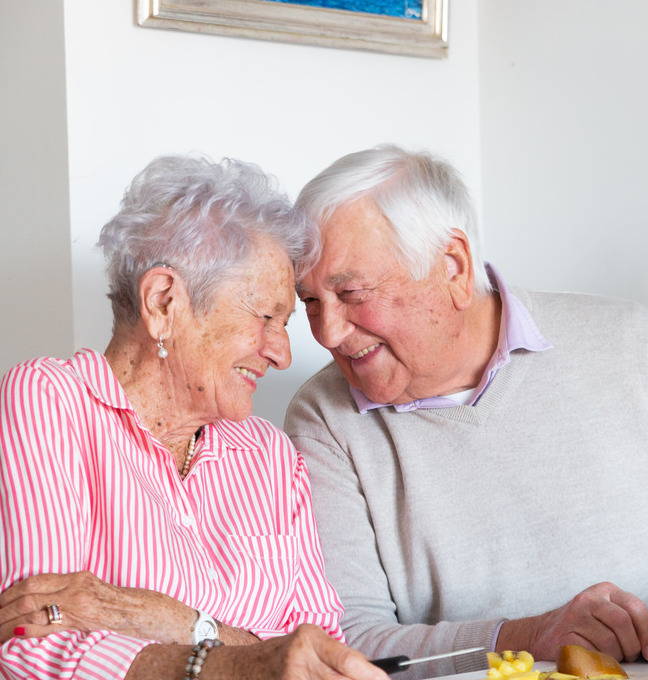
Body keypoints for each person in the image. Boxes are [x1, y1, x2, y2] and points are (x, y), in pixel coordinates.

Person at [284, 144, 648, 679]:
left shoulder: (634, 346)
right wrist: (525, 637)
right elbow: (348, 642)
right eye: (310, 301)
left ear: (453, 266)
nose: (327, 332)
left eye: (352, 294)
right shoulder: (324, 417)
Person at [0, 155, 390, 680]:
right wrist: (238, 662)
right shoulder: (51, 403)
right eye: (265, 317)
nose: (281, 353)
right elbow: (28, 646)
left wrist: (176, 622)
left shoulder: (268, 456)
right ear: (163, 302)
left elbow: (318, 657)